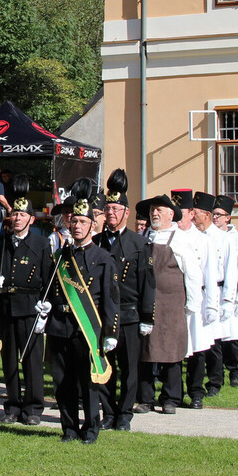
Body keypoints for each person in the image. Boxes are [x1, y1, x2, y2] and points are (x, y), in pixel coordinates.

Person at [45, 196, 120, 443]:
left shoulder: (103, 258)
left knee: (87, 382)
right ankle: (68, 428)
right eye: (73, 221)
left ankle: (90, 428)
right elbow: (50, 288)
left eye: (82, 221)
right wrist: (44, 306)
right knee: (62, 381)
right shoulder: (60, 257)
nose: (76, 225)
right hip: (59, 325)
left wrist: (110, 332)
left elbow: (110, 299)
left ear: (92, 225)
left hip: (86, 328)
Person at [93, 169, 155, 431]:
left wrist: (147, 316)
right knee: (106, 366)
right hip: (103, 315)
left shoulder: (139, 244)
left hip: (129, 315)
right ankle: (108, 412)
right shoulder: (96, 242)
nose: (112, 214)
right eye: (108, 208)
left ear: (126, 213)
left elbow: (148, 283)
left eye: (117, 209)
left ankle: (125, 413)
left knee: (129, 368)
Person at [136, 194, 201, 415]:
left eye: (159, 210)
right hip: (145, 304)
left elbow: (192, 274)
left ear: (171, 214)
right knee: (145, 352)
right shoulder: (143, 237)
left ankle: (171, 398)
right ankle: (145, 398)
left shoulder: (180, 240)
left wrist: (192, 304)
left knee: (171, 352)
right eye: (153, 210)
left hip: (172, 305)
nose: (154, 213)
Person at [0, 196, 51, 426]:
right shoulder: (2, 242)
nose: (17, 218)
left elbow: (48, 279)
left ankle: (33, 407)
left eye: (22, 215)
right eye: (15, 214)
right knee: (9, 361)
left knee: (31, 360)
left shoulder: (40, 244)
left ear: (31, 219)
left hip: (29, 307)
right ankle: (13, 406)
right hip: (6, 305)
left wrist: (45, 306)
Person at [172, 188, 218, 410]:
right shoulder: (168, 236)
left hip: (196, 299)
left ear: (191, 213)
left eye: (181, 212)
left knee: (197, 349)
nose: (177, 218)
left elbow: (210, 274)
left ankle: (196, 392)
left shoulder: (203, 240)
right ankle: (175, 393)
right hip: (173, 299)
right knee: (175, 349)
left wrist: (211, 305)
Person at [194, 192, 238, 397]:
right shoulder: (194, 236)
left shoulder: (224, 239)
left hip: (217, 291)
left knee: (214, 342)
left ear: (205, 214)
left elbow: (231, 270)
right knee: (197, 340)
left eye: (195, 213)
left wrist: (229, 300)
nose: (192, 217)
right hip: (197, 291)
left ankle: (215, 380)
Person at [213, 194, 238, 387]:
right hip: (215, 292)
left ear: (228, 218)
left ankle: (236, 371)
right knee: (217, 338)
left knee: (234, 338)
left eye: (219, 215)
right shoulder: (210, 237)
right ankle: (217, 371)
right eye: (213, 214)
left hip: (232, 292)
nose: (215, 218)